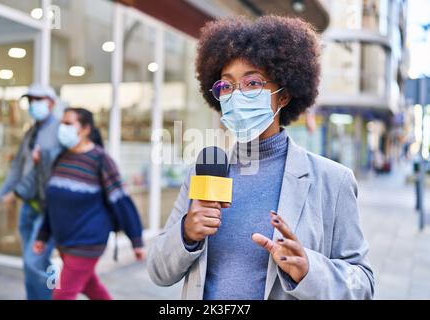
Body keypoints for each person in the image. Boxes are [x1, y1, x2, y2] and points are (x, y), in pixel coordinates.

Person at [147, 16, 375, 300]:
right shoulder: (205, 171)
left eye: (252, 83)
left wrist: (309, 270)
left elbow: (363, 284)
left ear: (284, 96)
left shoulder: (333, 180)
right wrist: (186, 234)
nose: (236, 95)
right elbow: (158, 271)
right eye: (226, 85)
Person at [32, 107, 144, 300]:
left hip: (87, 242)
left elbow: (121, 200)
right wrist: (43, 235)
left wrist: (136, 240)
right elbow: (54, 202)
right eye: (62, 123)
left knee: (62, 295)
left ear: (85, 129)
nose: (62, 128)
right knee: (91, 287)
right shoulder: (62, 157)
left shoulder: (100, 160)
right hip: (64, 242)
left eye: (68, 123)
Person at [0, 83, 61, 300]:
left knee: (35, 262)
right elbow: (17, 169)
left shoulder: (61, 131)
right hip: (29, 208)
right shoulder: (31, 132)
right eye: (31, 100)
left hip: (48, 211)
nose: (34, 104)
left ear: (51, 103)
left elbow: (53, 172)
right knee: (32, 265)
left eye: (39, 99)